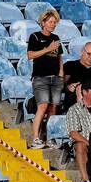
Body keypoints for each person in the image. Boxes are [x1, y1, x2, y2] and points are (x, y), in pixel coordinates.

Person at [27, 9, 66, 148]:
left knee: (53, 109)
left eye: (55, 22)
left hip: (55, 78)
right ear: (43, 22)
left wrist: (61, 73)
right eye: (50, 22)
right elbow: (30, 55)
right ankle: (35, 138)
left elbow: (59, 56)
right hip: (40, 77)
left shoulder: (56, 38)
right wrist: (47, 49)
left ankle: (49, 137)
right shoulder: (35, 37)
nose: (53, 24)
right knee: (42, 106)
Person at [65, 82, 91, 182]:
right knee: (80, 145)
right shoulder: (74, 109)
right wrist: (90, 143)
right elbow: (73, 133)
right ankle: (86, 180)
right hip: (85, 143)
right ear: (85, 92)